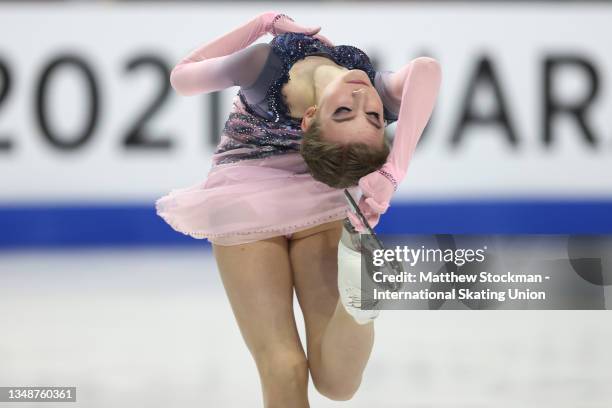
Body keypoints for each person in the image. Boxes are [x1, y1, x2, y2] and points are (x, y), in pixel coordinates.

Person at [156, 11, 441, 407]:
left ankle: (359, 300)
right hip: (278, 199)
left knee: (312, 376)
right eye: (372, 116)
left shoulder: (263, 66)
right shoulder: (353, 82)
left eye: (348, 113)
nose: (361, 99)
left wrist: (262, 25)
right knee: (305, 374)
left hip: (277, 196)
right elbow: (426, 71)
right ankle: (358, 297)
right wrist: (393, 171)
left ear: (311, 119)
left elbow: (182, 76)